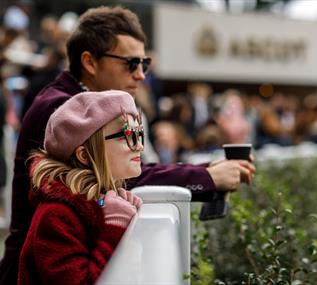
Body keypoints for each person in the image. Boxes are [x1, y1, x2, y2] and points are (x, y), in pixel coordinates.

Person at [0, 6, 256, 284]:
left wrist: (204, 172)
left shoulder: (80, 103)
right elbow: (124, 174)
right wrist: (205, 177)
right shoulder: (65, 111)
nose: (141, 75)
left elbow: (128, 167)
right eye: (130, 63)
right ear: (89, 62)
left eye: (144, 64)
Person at [18, 90, 143, 284]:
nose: (139, 146)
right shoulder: (56, 215)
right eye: (128, 134)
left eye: (138, 133)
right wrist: (115, 227)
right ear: (84, 155)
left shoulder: (95, 202)